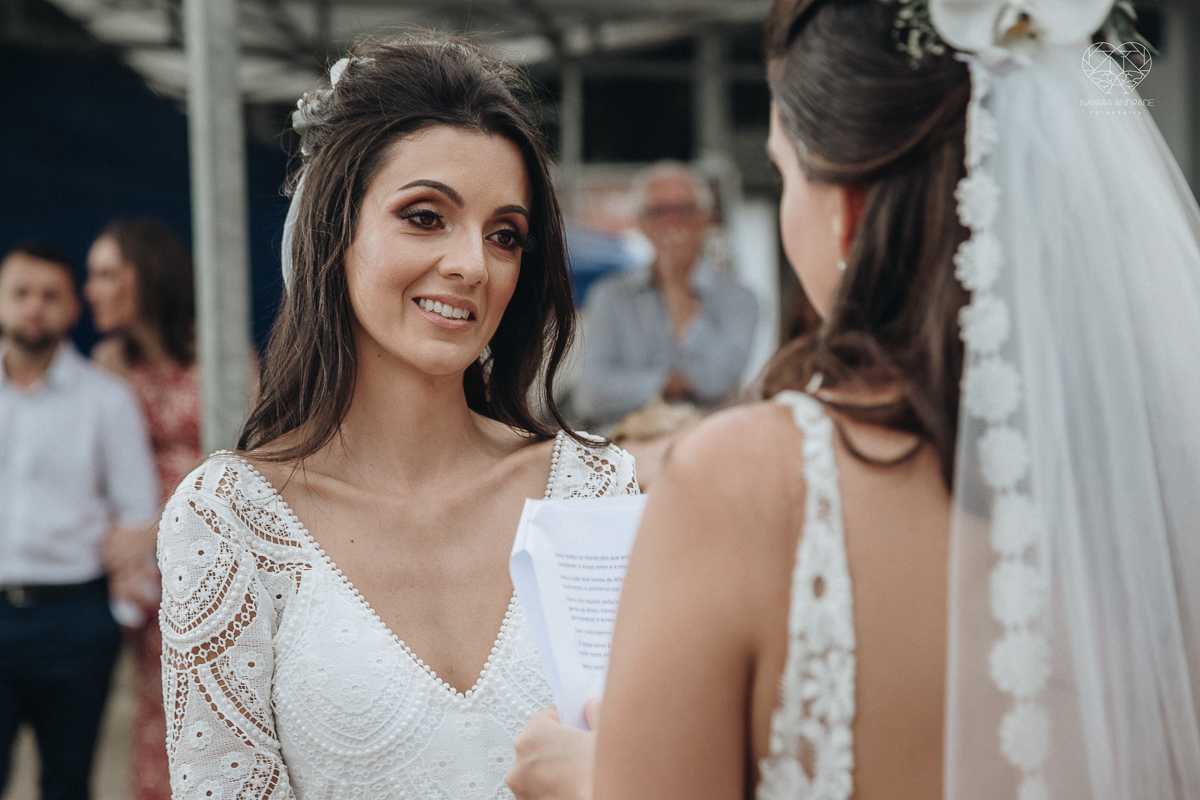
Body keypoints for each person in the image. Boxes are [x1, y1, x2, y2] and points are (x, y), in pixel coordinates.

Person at [506, 0, 1200, 798]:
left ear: (851, 211)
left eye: (785, 170)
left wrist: (593, 782)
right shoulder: (1161, 482)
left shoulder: (747, 483)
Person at [155, 32, 637, 799]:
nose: (472, 265)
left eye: (504, 235)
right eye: (424, 216)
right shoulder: (228, 521)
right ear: (333, 229)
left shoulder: (598, 491)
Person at [0, 241, 160, 800]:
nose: (34, 307)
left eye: (50, 295)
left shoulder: (106, 399)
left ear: (72, 309)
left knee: (67, 784)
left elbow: (138, 506)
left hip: (75, 619)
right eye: (21, 293)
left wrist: (116, 610)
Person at [85, 218, 200, 800]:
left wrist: (156, 530)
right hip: (143, 571)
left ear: (144, 277)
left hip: (208, 552)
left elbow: (252, 462)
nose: (91, 290)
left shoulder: (220, 346)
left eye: (106, 274)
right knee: (155, 705)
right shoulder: (107, 361)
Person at [573, 162, 757, 430]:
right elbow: (591, 392)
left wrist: (676, 288)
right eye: (658, 212)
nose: (671, 223)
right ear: (640, 223)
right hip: (626, 449)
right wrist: (668, 383)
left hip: (706, 447)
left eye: (683, 210)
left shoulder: (739, 299)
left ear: (706, 218)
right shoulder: (610, 296)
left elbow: (717, 380)